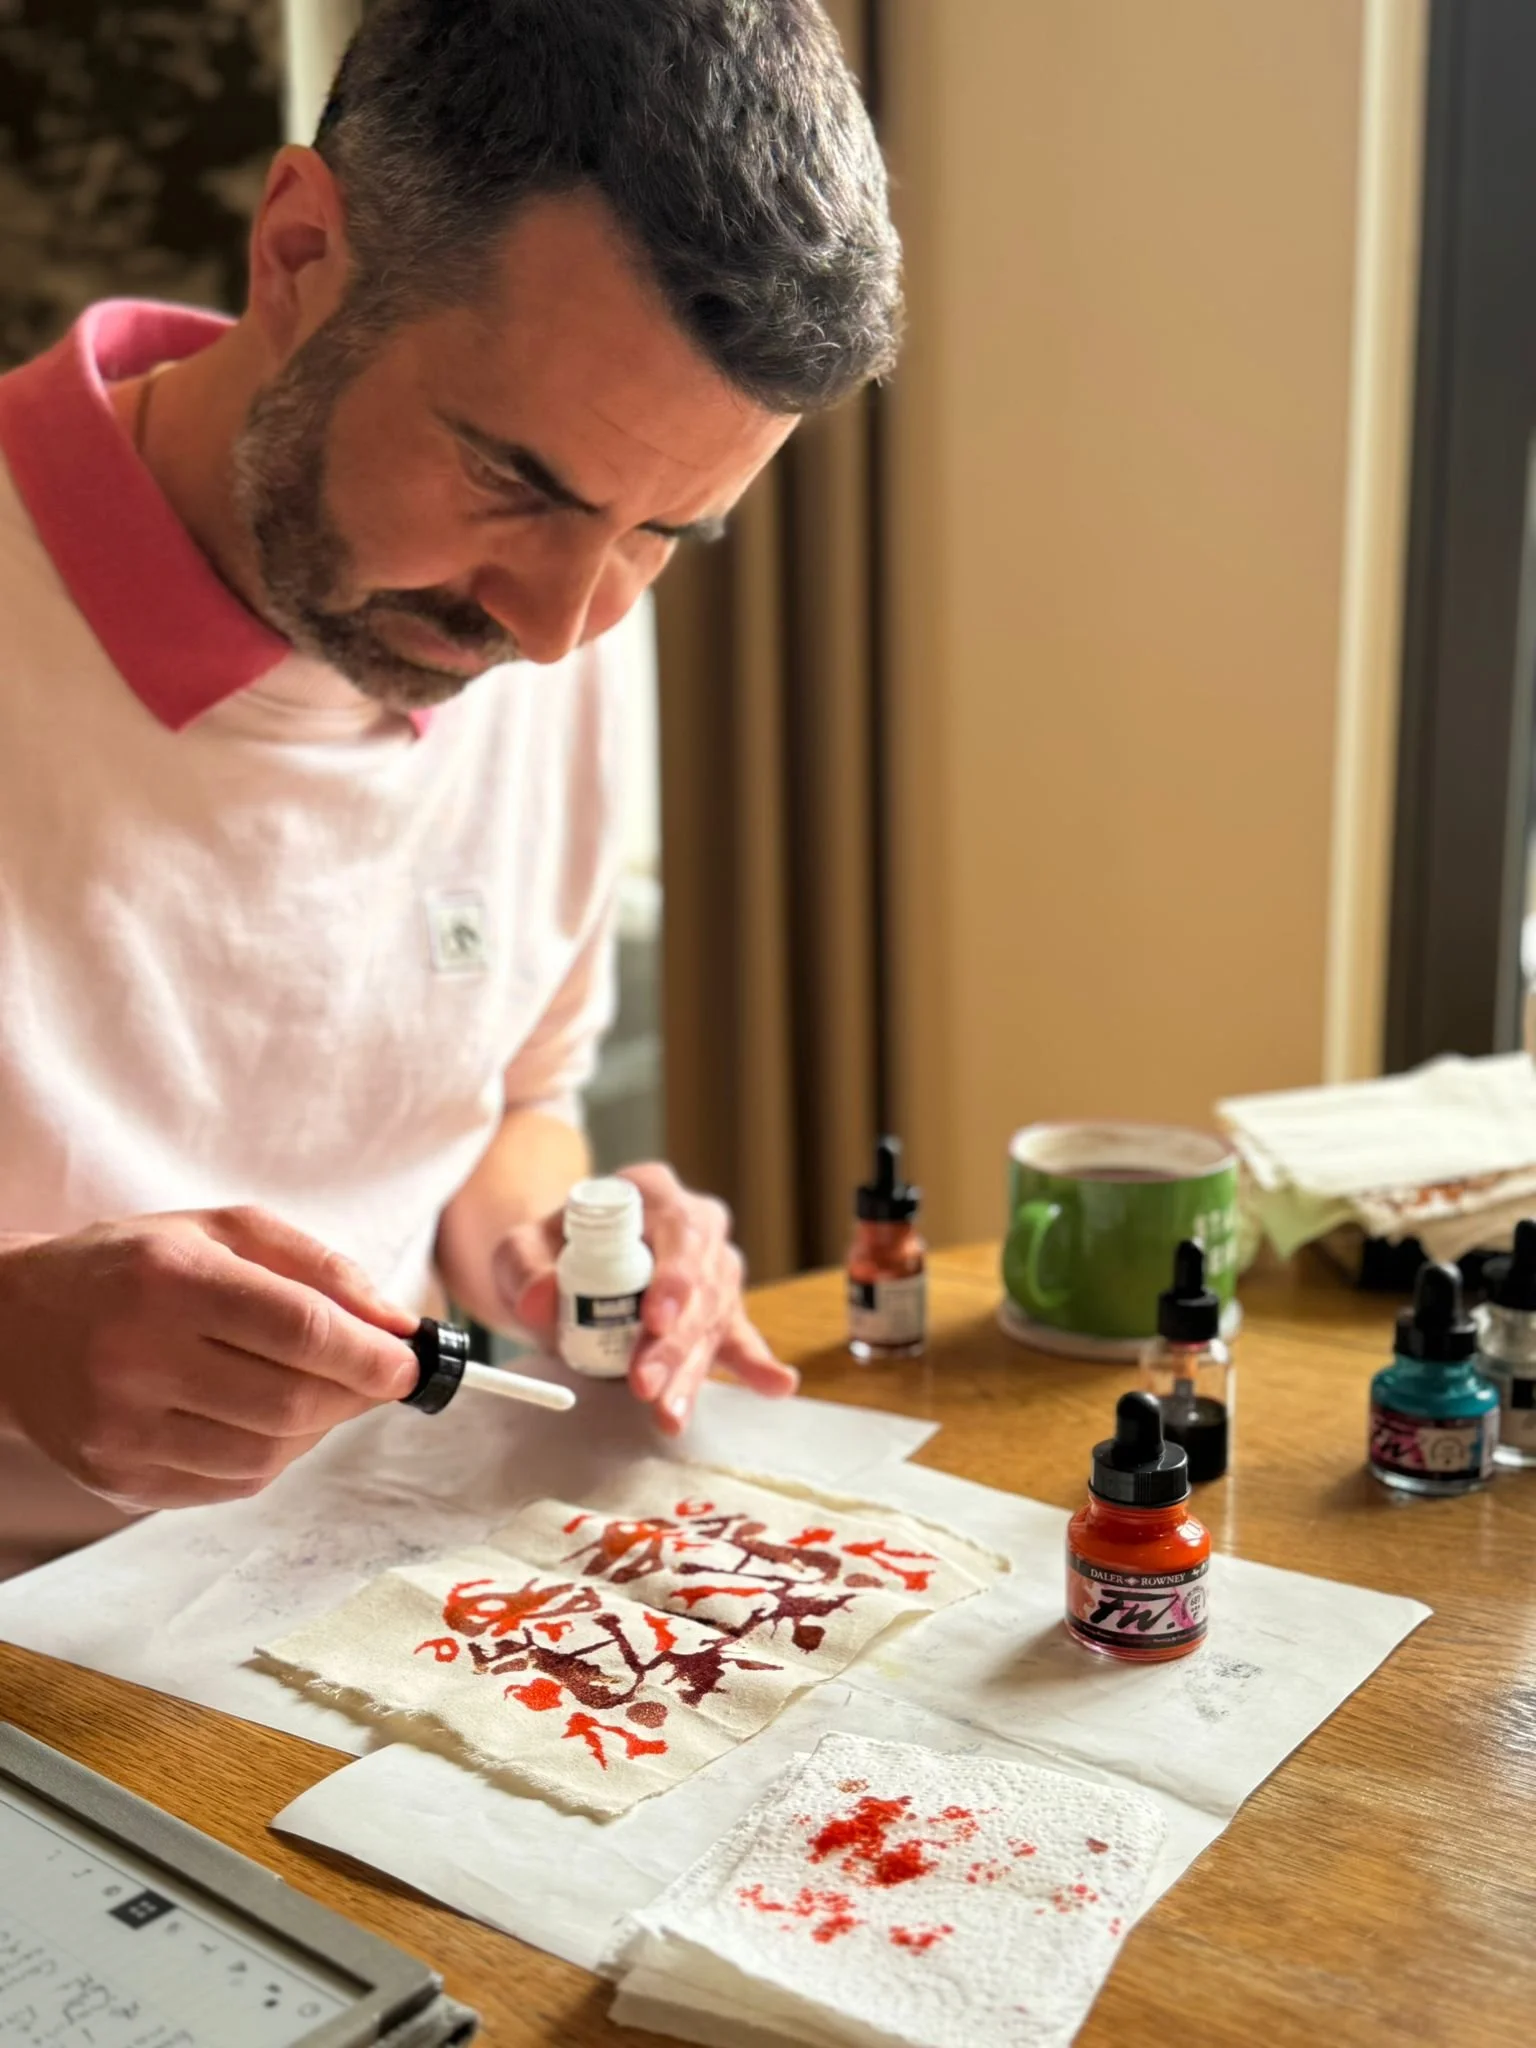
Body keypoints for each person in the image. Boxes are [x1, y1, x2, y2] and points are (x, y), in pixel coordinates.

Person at [0, 0, 902, 1575]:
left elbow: (502, 1108)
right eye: (517, 480)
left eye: (660, 536)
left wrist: (560, 1253)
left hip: (365, 1577)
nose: (558, 629)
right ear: (298, 252)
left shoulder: (545, 610)